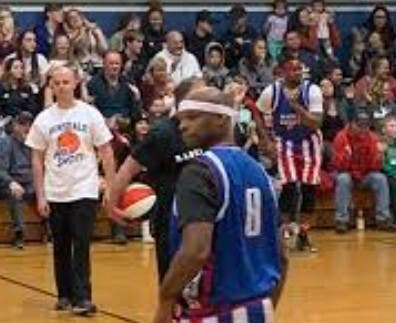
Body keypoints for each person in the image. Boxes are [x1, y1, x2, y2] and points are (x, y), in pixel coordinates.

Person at [150, 87, 287, 323]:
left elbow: (196, 251)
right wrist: (266, 306)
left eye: (193, 118)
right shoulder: (260, 171)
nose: (183, 126)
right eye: (180, 119)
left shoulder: (199, 171)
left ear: (221, 120)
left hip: (211, 311)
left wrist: (165, 299)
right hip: (258, 308)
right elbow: (282, 255)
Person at [25, 65, 115, 315]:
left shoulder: (90, 114)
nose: (62, 86)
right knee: (61, 246)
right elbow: (36, 158)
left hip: (84, 188)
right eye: (57, 82)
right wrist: (41, 194)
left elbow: (105, 150)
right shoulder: (44, 119)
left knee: (82, 243)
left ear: (75, 82)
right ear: (51, 86)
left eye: (66, 81)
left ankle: (82, 297)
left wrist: (110, 184)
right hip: (55, 190)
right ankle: (63, 294)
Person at [107, 77, 206, 282]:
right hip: (170, 219)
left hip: (202, 217)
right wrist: (112, 204)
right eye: (200, 95)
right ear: (184, 101)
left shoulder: (207, 132)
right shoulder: (163, 133)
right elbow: (127, 169)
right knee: (172, 281)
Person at [257, 56, 323, 251]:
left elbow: (316, 123)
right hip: (285, 142)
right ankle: (283, 234)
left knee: (309, 190)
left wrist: (296, 107)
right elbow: (258, 113)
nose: (297, 73)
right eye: (292, 69)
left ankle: (303, 234)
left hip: (309, 142)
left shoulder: (313, 90)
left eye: (299, 69)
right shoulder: (272, 91)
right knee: (289, 187)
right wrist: (265, 139)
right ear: (283, 72)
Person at [332, 108, 395, 233]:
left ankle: (383, 219)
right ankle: (341, 220)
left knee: (380, 178)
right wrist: (346, 155)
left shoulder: (372, 138)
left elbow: (375, 167)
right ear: (351, 124)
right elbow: (337, 166)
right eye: (359, 125)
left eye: (366, 126)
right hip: (347, 173)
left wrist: (379, 156)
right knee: (342, 179)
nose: (363, 129)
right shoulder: (341, 137)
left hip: (365, 174)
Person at [0, 112, 34, 249]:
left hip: (30, 181)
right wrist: (11, 183)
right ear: (15, 126)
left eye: (28, 125)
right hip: (12, 182)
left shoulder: (33, 143)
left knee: (50, 190)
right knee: (15, 194)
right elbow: (1, 170)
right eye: (22, 124)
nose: (26, 128)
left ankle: (51, 231)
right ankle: (18, 234)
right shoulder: (6, 143)